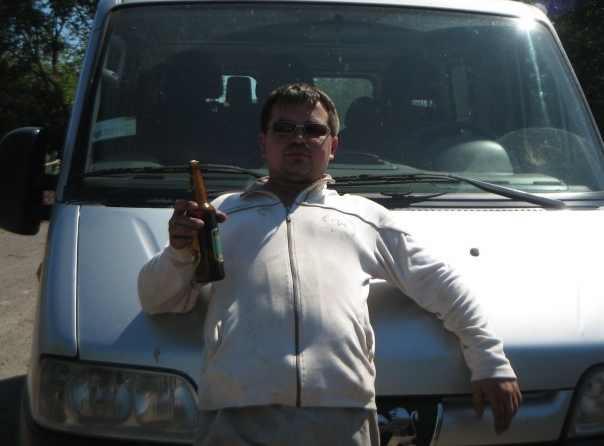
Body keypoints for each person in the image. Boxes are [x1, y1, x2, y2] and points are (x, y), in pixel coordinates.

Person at [138, 82, 522, 445]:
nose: (298, 138)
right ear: (263, 142)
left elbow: (442, 284)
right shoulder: (220, 213)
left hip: (343, 415)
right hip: (235, 413)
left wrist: (490, 362)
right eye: (284, 128)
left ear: (332, 145)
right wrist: (179, 251)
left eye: (313, 130)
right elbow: (156, 300)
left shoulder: (364, 217)